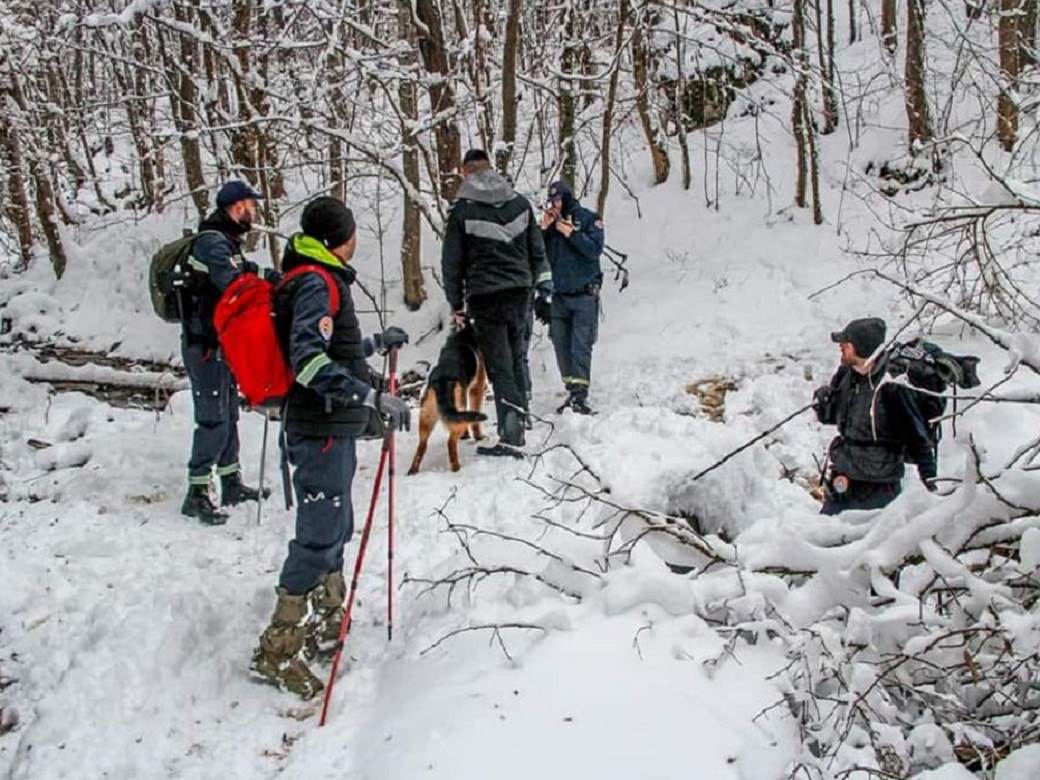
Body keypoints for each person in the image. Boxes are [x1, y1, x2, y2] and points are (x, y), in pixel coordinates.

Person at [251, 195, 410, 699]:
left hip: (330, 427)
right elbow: (308, 362)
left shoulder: (316, 278)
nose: (355, 239)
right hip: (318, 428)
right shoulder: (317, 282)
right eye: (350, 232)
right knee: (318, 535)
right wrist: (370, 395)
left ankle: (326, 619)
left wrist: (372, 345)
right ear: (336, 239)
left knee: (337, 523)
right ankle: (276, 649)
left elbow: (333, 348)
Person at [441, 149, 551, 454]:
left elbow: (452, 261)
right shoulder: (520, 203)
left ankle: (511, 433)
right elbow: (537, 250)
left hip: (485, 295)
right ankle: (520, 417)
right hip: (520, 292)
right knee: (517, 357)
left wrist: (456, 303)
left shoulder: (462, 210)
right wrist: (542, 287)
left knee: (499, 365)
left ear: (466, 173)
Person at [180, 180, 270, 525]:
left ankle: (230, 481)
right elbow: (234, 285)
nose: (254, 211)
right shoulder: (211, 243)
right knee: (213, 417)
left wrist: (272, 277)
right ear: (236, 207)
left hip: (221, 344)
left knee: (230, 412)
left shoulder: (226, 242)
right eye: (250, 205)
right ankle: (197, 492)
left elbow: (245, 271)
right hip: (204, 345)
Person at [813, 317, 938, 515]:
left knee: (869, 543)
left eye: (846, 345)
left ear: (861, 348)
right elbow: (834, 417)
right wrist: (823, 403)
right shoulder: (847, 375)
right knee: (826, 536)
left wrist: (931, 485)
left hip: (879, 488)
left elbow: (918, 439)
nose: (841, 348)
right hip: (843, 479)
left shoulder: (892, 388)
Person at [539, 180, 605, 415]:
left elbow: (594, 250)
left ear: (566, 199)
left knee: (580, 346)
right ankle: (571, 388)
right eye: (552, 201)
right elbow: (538, 254)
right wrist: (543, 231)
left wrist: (572, 234)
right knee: (561, 346)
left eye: (558, 200)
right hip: (560, 296)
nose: (554, 205)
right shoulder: (551, 226)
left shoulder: (587, 219)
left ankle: (580, 395)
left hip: (584, 295)